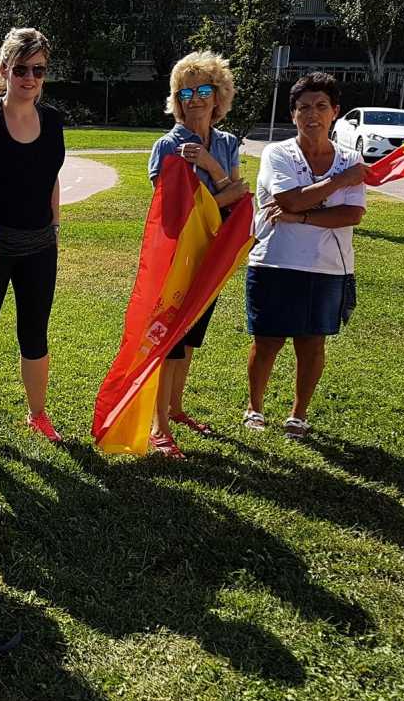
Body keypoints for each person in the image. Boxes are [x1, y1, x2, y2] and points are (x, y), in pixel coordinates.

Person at [245, 71, 366, 440]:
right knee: (268, 341)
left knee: (312, 343)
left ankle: (298, 415)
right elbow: (289, 199)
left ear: (335, 113)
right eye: (303, 108)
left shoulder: (350, 156)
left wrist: (302, 217)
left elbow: (352, 215)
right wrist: (341, 182)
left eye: (321, 106)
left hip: (327, 267)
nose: (312, 114)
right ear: (293, 115)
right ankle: (254, 408)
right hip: (275, 261)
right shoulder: (277, 153)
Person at [0, 28, 65, 449]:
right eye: (21, 69)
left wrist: (56, 228)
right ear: (4, 70)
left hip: (40, 243)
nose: (30, 78)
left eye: (38, 70)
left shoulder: (53, 119)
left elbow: (51, 178)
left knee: (35, 331)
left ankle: (38, 414)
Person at [143, 51, 250, 459]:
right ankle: (159, 428)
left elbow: (238, 196)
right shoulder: (167, 146)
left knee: (190, 341)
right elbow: (172, 210)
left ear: (218, 94)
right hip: (177, 258)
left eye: (204, 89)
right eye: (185, 92)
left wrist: (207, 165)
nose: (195, 99)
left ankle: (176, 408)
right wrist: (224, 193)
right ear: (176, 98)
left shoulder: (224, 144)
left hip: (213, 255)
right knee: (169, 341)